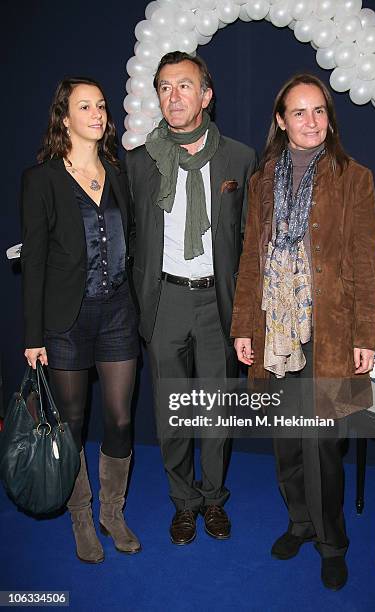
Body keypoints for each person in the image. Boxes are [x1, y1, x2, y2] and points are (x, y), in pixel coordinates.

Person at [231, 73, 375, 590]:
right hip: (276, 329)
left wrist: (366, 335)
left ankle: (331, 542)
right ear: (281, 120)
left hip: (330, 330)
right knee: (287, 440)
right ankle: (298, 521)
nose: (312, 122)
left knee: (321, 443)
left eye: (320, 111)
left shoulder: (354, 177)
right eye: (300, 112)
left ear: (329, 118)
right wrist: (244, 325)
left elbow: (365, 263)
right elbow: (251, 259)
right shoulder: (261, 180)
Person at [126, 52, 257, 545]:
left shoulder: (239, 160)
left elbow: (249, 241)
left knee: (217, 414)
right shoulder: (139, 163)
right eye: (164, 87)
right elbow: (131, 237)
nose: (173, 95)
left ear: (206, 96)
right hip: (164, 305)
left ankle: (213, 498)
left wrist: (246, 314)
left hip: (216, 306)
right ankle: (183, 503)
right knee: (173, 413)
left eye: (185, 85)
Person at [20, 77, 141, 563]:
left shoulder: (118, 172)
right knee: (72, 422)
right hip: (66, 321)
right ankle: (82, 517)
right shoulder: (42, 179)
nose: (96, 113)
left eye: (102, 106)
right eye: (84, 106)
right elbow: (34, 263)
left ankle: (113, 511)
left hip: (117, 314)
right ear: (64, 118)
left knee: (120, 417)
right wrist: (33, 335)